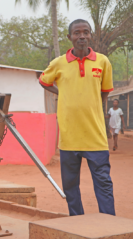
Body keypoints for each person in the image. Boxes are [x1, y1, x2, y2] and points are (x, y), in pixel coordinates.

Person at [39, 19, 115, 216]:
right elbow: (43, 80)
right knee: (70, 186)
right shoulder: (58, 63)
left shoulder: (103, 62)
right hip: (69, 137)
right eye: (77, 33)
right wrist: (61, 92)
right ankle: (77, 221)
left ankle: (109, 224)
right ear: (69, 37)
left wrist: (98, 111)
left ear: (90, 35)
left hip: (96, 137)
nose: (82, 36)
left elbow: (104, 92)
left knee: (104, 184)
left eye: (86, 32)